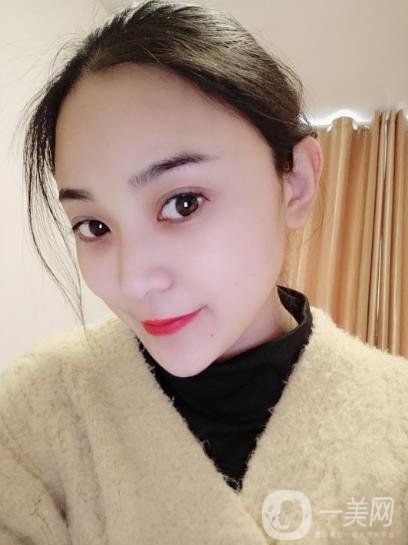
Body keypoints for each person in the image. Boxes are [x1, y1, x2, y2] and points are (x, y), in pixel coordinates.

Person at [1, 1, 408, 544]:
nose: (133, 280)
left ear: (296, 183)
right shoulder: (35, 418)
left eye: (184, 202)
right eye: (94, 226)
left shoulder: (397, 417)